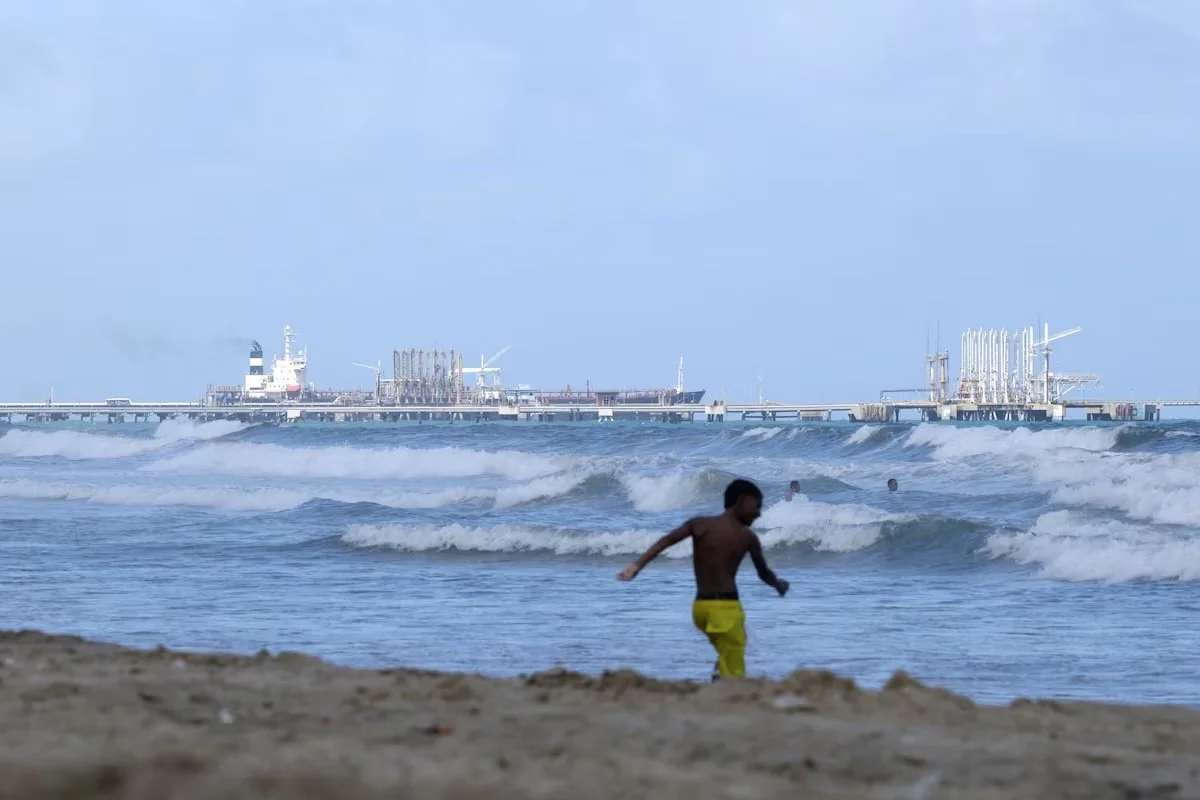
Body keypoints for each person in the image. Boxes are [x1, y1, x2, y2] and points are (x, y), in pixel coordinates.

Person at [617, 478, 789, 680]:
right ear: (741, 500)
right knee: (735, 661)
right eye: (757, 506)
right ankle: (726, 690)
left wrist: (637, 565)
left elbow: (665, 542)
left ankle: (719, 670)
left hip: (700, 610)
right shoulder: (747, 537)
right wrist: (778, 584)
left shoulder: (700, 524)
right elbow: (763, 573)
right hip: (725, 609)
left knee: (728, 648)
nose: (759, 513)